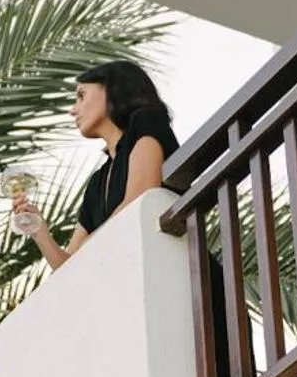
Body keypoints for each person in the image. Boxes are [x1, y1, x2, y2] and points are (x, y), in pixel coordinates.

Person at [13, 60, 179, 271]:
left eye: (82, 95)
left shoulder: (146, 121)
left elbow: (138, 204)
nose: (73, 110)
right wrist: (39, 230)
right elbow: (69, 268)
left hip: (188, 280)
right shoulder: (97, 182)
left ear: (113, 90)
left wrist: (86, 244)